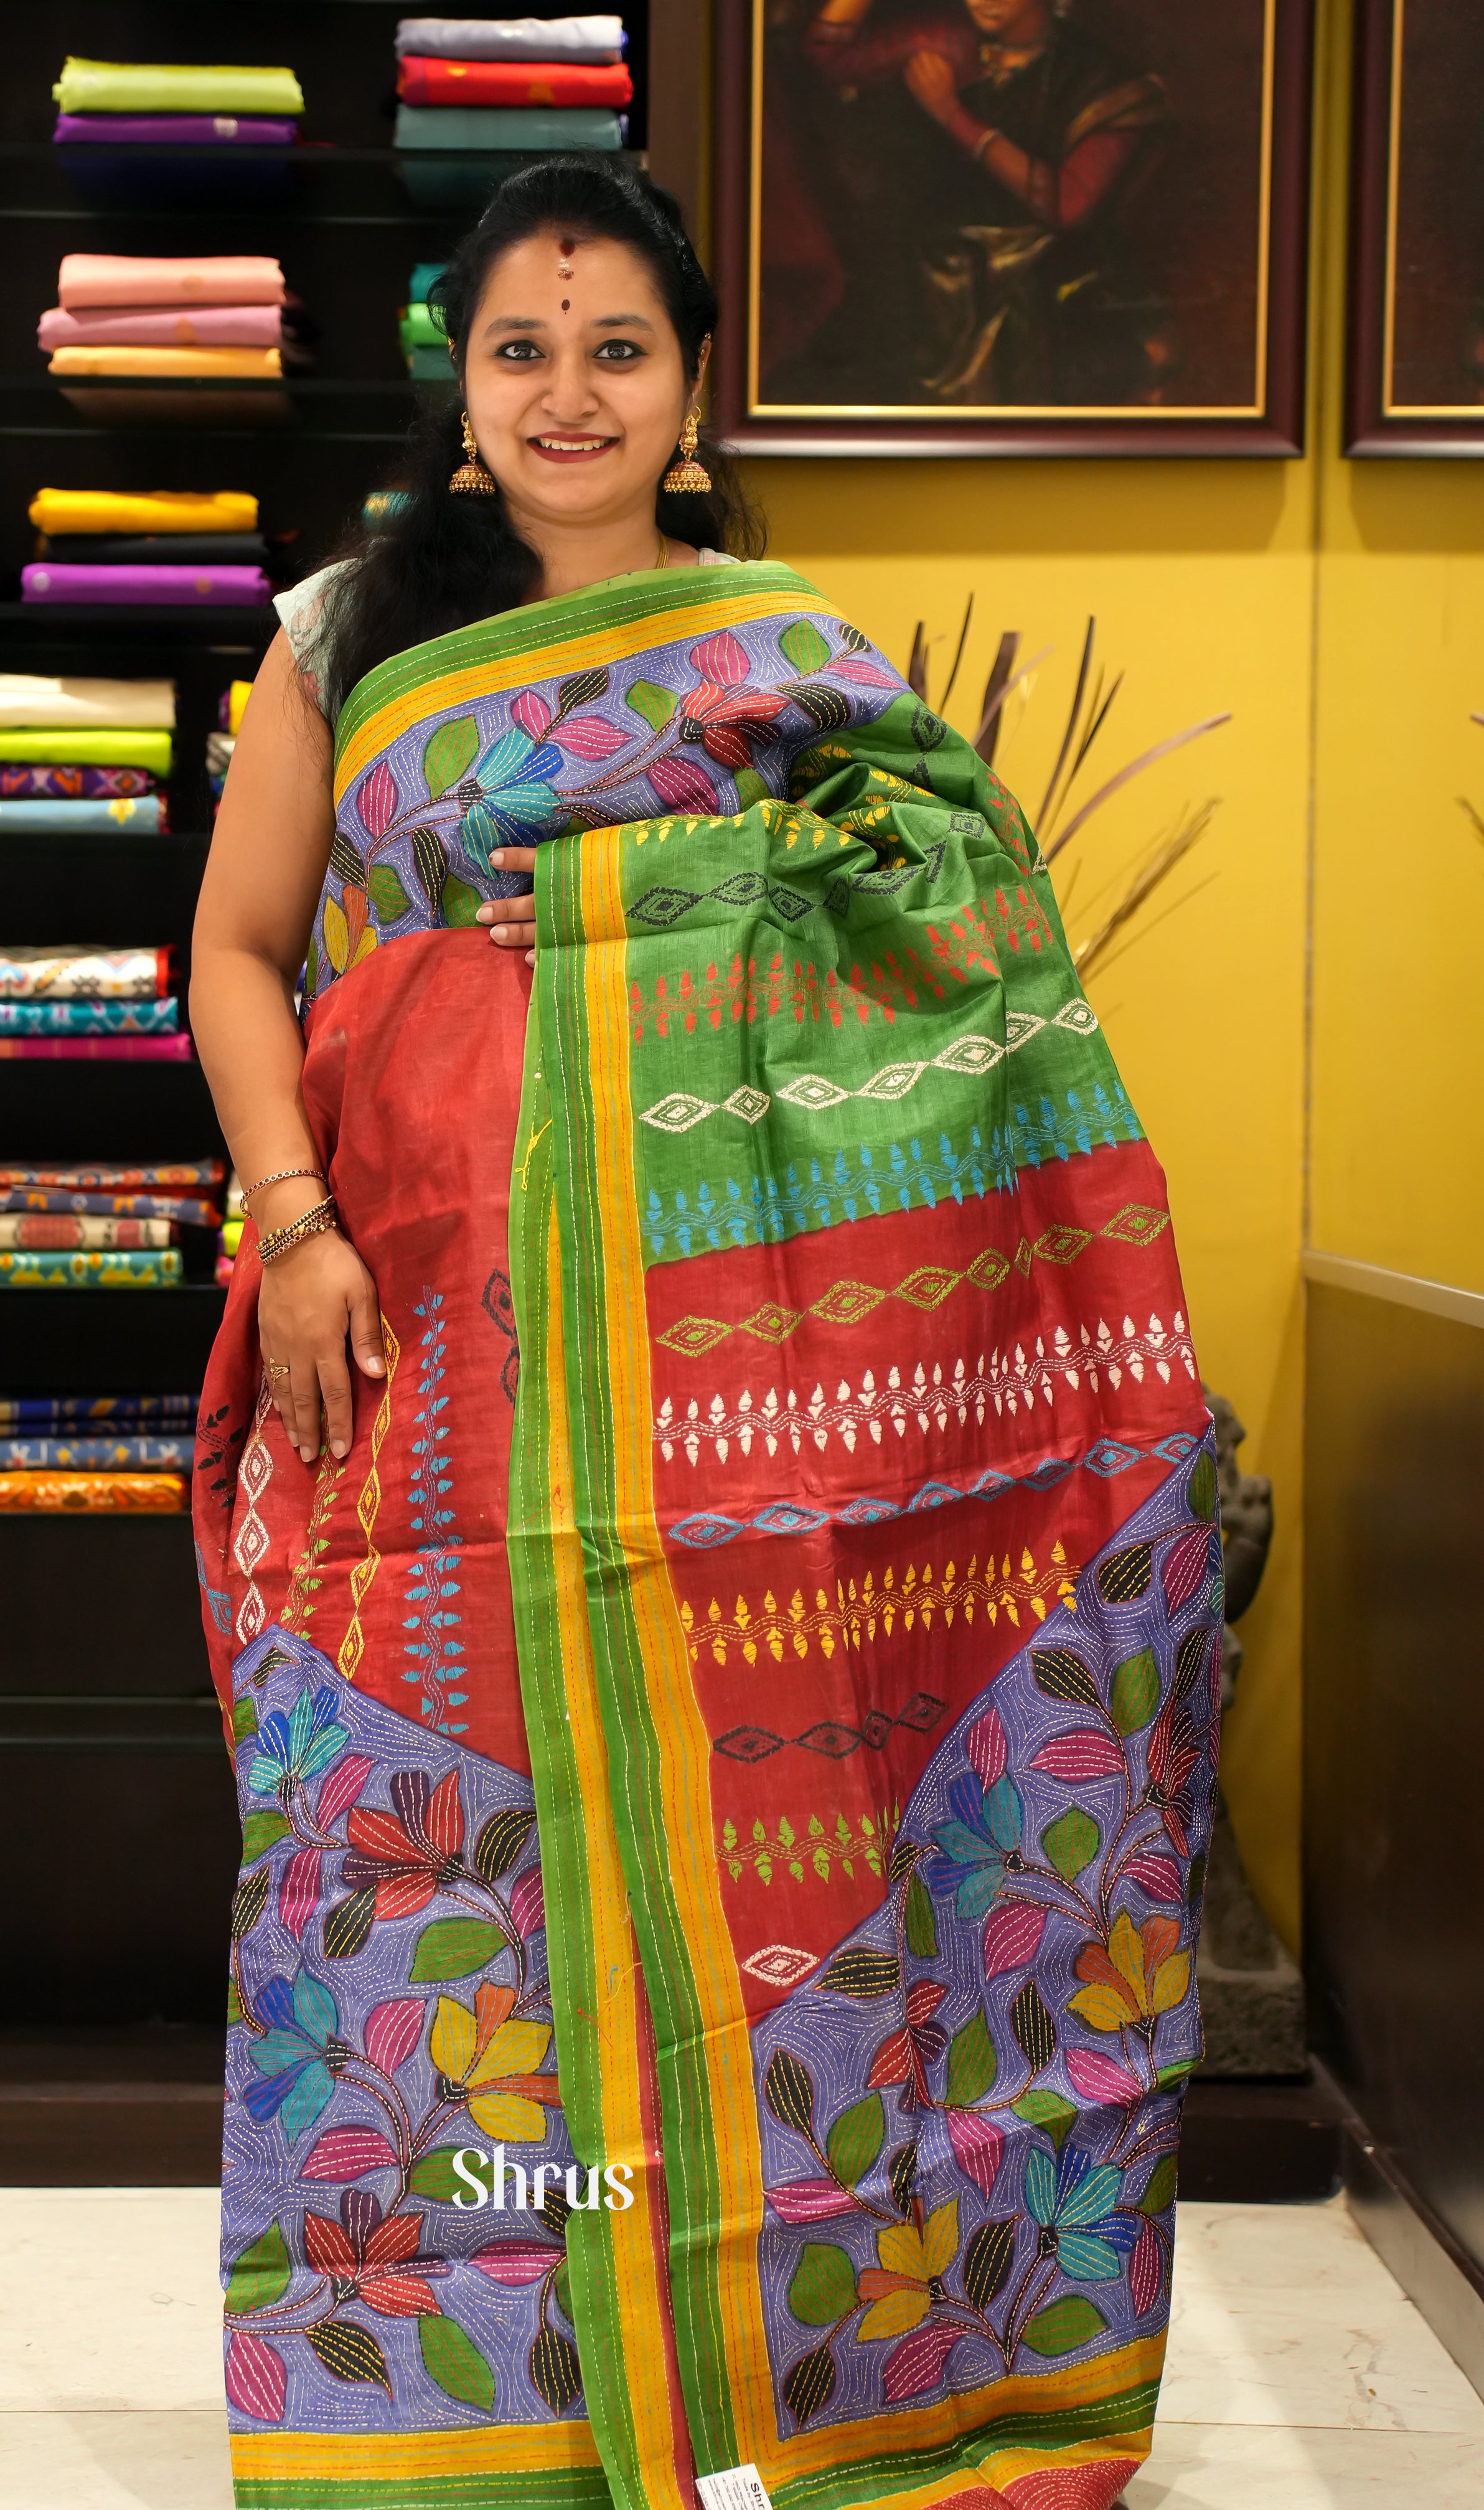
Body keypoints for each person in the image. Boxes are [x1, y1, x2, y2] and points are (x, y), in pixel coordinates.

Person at [189, 154, 1218, 2510]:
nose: (566, 392)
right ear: (459, 387)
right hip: (430, 1361)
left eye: (615, 347)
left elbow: (948, 929)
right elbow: (244, 946)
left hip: (760, 1395)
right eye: (519, 349)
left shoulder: (787, 657)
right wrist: (294, 1216)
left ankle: (840, 2378)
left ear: (689, 390)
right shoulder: (348, 633)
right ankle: (491, 2410)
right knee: (440, 1877)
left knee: (807, 1854)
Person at [801, 0, 1172, 404]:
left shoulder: (1107, 82)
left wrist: (950, 113)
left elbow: (1068, 203)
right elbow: (826, 55)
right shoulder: (945, 38)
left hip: (1049, 295)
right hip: (932, 288)